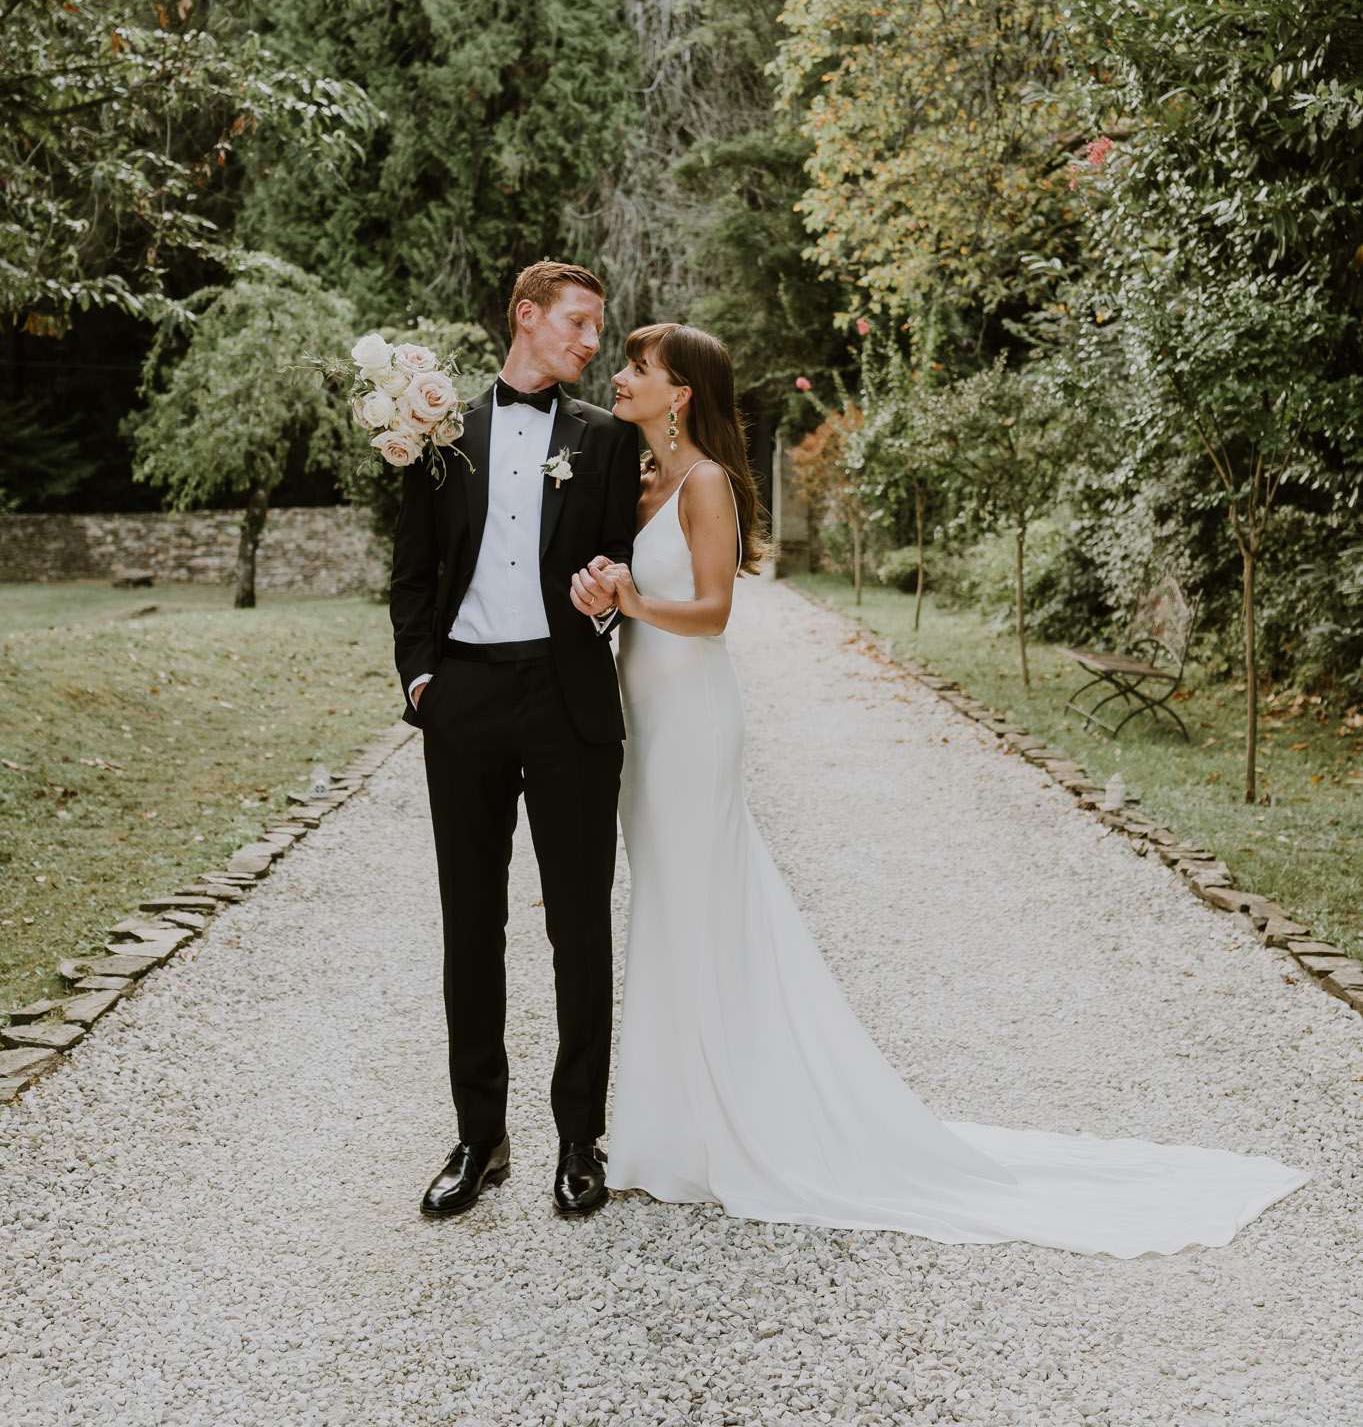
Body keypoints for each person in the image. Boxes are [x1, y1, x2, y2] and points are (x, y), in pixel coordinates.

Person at [570, 321, 1309, 1257]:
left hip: (694, 721)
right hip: (645, 720)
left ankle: (730, 1121)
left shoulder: (706, 481)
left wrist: (634, 601)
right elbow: (634, 592)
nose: (621, 376)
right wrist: (605, 593)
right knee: (666, 909)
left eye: (638, 367)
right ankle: (670, 1122)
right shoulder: (639, 483)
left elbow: (712, 613)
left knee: (701, 902)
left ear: (679, 394)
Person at [390, 260, 638, 1220]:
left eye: (595, 328)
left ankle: (580, 1141)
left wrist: (606, 601)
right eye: (576, 323)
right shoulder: (442, 432)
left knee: (576, 925)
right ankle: (478, 1136)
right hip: (463, 700)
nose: (589, 342)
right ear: (526, 319)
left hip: (567, 699)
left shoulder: (607, 441)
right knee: (470, 923)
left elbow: (618, 558)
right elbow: (412, 571)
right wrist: (423, 681)